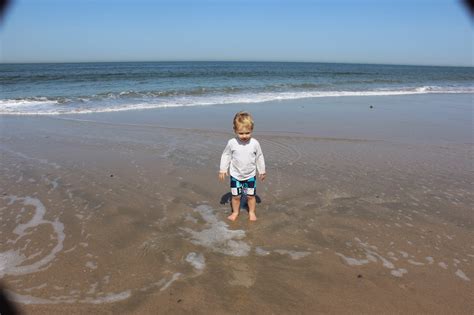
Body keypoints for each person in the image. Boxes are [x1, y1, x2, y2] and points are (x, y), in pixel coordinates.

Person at [219, 111, 266, 221]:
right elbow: (226, 155)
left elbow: (259, 157)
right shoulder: (232, 143)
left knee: (250, 196)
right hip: (236, 175)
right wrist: (223, 169)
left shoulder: (254, 143)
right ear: (235, 130)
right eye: (241, 133)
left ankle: (252, 212)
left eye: (247, 133)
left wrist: (262, 170)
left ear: (252, 130)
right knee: (235, 197)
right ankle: (235, 212)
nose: (244, 136)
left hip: (250, 175)